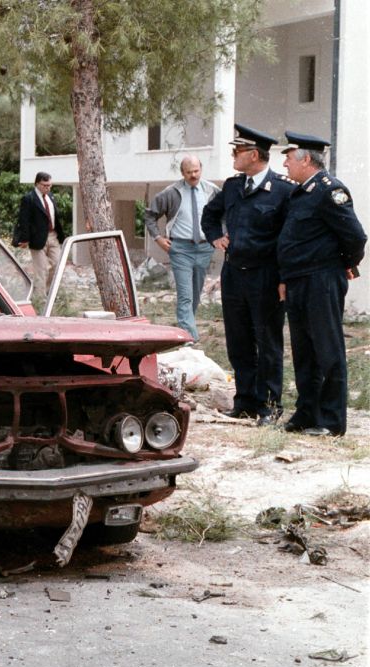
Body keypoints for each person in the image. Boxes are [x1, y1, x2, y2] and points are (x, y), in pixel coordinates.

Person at [201, 124, 296, 425]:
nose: (233, 155)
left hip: (266, 276)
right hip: (234, 274)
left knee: (267, 343)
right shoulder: (232, 186)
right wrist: (215, 236)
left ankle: (269, 405)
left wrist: (283, 278)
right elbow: (210, 214)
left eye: (237, 151)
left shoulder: (283, 190)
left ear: (254, 155)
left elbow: (290, 237)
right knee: (238, 341)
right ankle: (244, 401)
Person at [277, 131, 366, 437]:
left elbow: (355, 236)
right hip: (299, 281)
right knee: (304, 351)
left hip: (322, 280)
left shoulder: (330, 190)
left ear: (305, 159)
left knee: (327, 350)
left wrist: (342, 265)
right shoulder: (300, 193)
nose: (285, 164)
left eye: (289, 158)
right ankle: (306, 414)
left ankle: (331, 421)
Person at [144, 157, 220, 341]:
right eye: (189, 172)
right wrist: (158, 238)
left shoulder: (213, 191)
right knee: (185, 295)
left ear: (201, 169)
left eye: (196, 171)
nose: (193, 175)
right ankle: (191, 339)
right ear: (182, 173)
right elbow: (149, 215)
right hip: (180, 249)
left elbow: (225, 215)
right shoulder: (171, 193)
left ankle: (186, 328)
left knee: (195, 294)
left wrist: (220, 236)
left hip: (204, 248)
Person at [14, 172, 66, 303]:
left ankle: (49, 293)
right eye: (45, 185)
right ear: (37, 184)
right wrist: (25, 238)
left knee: (58, 265)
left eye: (50, 185)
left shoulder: (51, 197)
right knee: (41, 270)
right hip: (37, 238)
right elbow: (24, 219)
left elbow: (56, 217)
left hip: (53, 235)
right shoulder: (29, 198)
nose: (48, 188)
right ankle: (39, 299)